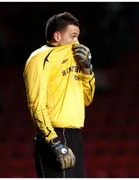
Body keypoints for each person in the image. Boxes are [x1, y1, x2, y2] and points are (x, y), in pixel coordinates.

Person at [23, 12, 95, 178]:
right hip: (54, 136)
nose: (77, 42)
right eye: (73, 36)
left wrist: (87, 70)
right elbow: (36, 105)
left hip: (75, 135)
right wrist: (55, 143)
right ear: (57, 36)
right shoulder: (39, 58)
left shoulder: (76, 58)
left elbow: (87, 100)